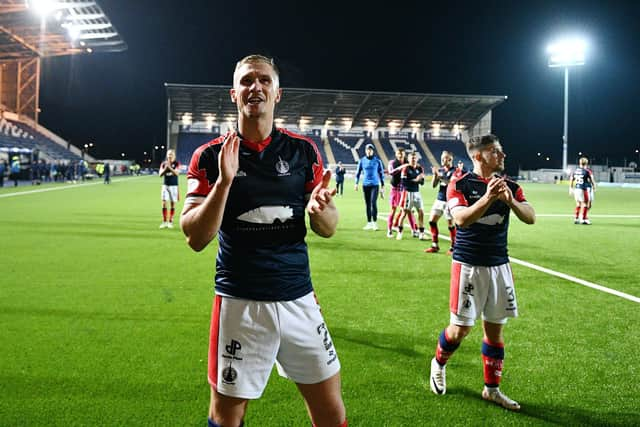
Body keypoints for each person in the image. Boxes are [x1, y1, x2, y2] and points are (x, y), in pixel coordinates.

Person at [180, 54, 347, 427]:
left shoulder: (303, 151)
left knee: (330, 410)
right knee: (227, 416)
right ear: (234, 94)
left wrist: (321, 210)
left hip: (299, 298)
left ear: (277, 93)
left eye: (264, 81)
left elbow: (328, 227)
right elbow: (194, 236)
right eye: (247, 81)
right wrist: (224, 182)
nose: (255, 87)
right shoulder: (209, 156)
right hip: (240, 302)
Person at [428, 134, 535, 411]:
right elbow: (461, 220)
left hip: (499, 265)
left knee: (495, 331)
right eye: (495, 151)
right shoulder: (460, 183)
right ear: (478, 156)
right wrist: (488, 197)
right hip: (468, 266)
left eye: (500, 151)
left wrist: (510, 200)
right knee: (460, 330)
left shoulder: (509, 184)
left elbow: (530, 216)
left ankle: (492, 390)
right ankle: (438, 363)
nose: (502, 156)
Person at [425, 151, 457, 254]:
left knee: (451, 225)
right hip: (439, 199)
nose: (443, 160)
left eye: (445, 158)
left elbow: (450, 183)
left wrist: (440, 176)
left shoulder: (455, 171)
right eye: (442, 158)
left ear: (450, 159)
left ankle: (453, 247)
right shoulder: (441, 170)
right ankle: (435, 245)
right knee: (432, 221)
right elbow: (433, 185)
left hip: (449, 200)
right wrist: (435, 175)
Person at [395, 151, 426, 240]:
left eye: (414, 158)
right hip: (407, 193)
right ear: (408, 159)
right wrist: (416, 180)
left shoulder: (420, 168)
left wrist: (418, 180)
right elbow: (404, 182)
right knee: (404, 213)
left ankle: (421, 233)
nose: (413, 160)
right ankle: (400, 232)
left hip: (417, 193)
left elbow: (422, 182)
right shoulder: (406, 169)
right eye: (411, 158)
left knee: (421, 212)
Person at [386, 148, 417, 238]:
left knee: (409, 211)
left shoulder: (408, 162)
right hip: (395, 189)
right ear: (396, 154)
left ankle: (414, 230)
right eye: (398, 154)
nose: (400, 155)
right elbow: (391, 172)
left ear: (404, 154)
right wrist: (401, 167)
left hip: (405, 190)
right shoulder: (392, 163)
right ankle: (389, 230)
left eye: (402, 154)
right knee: (393, 210)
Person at [355, 143, 385, 230]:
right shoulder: (362, 161)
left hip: (375, 185)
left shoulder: (377, 161)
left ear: (373, 151)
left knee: (373, 203)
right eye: (368, 149)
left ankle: (375, 223)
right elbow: (357, 173)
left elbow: (381, 173)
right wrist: (356, 183)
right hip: (365, 185)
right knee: (367, 204)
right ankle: (369, 223)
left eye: (371, 150)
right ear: (365, 151)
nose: (369, 151)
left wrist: (382, 186)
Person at [569, 157, 596, 225]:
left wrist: (570, 188)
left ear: (580, 163)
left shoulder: (575, 171)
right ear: (586, 163)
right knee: (586, 204)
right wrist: (594, 186)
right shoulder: (587, 171)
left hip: (576, 189)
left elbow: (571, 179)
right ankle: (584, 219)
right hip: (583, 189)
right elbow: (592, 180)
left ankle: (576, 218)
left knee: (578, 204)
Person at [159, 149, 181, 228]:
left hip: (174, 186)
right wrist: (166, 168)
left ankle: (170, 222)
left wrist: (170, 168)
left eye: (171, 154)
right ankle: (164, 221)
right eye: (168, 154)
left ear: (174, 155)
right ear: (167, 155)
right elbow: (160, 174)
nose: (170, 156)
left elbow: (177, 173)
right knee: (164, 203)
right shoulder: (163, 164)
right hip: (165, 186)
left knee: (172, 204)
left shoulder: (177, 163)